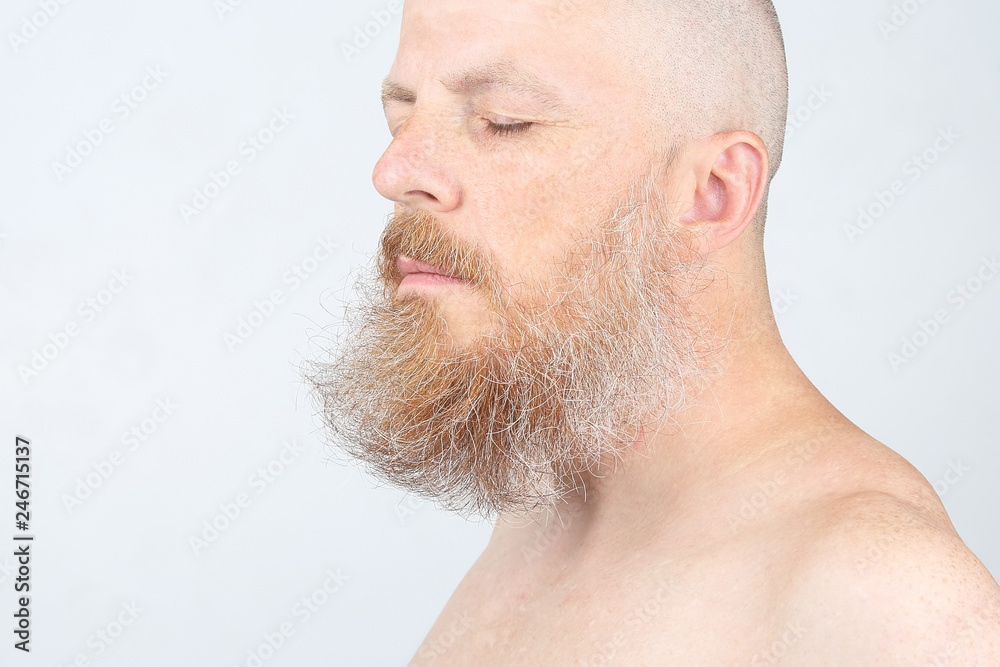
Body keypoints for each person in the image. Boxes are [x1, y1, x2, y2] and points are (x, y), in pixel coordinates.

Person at [307, 0, 1000, 663]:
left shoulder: (890, 597)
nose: (393, 171)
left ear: (712, 193)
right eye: (402, 117)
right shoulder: (544, 508)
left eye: (502, 121)